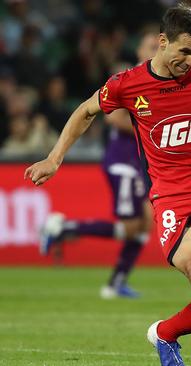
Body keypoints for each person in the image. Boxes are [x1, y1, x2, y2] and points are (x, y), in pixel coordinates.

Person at [24, 5, 191, 365]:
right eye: (184, 50)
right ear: (162, 43)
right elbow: (85, 111)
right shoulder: (129, 84)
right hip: (173, 194)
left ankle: (165, 334)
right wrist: (54, 158)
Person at [39, 31, 159, 300]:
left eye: (158, 46)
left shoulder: (159, 81)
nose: (155, 51)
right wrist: (154, 128)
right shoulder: (129, 78)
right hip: (122, 160)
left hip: (139, 162)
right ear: (139, 50)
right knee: (131, 226)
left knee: (146, 222)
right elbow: (114, 119)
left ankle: (117, 282)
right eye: (150, 45)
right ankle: (62, 229)